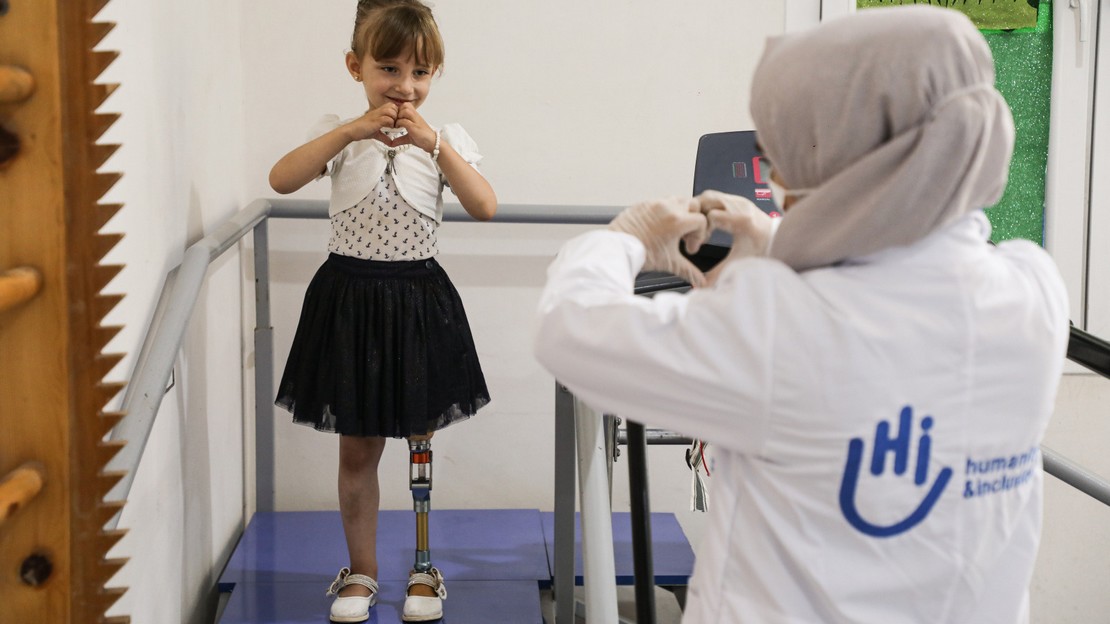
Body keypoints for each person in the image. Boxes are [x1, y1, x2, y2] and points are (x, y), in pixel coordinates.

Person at [534, 6, 1068, 623]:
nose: (778, 175)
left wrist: (623, 239)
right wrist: (778, 247)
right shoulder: (1033, 290)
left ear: (847, 156)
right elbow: (892, 248)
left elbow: (567, 329)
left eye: (782, 150)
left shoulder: (779, 326)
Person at [269, 1, 496, 621]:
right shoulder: (339, 136)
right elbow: (282, 179)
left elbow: (485, 206)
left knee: (419, 441)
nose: (404, 87)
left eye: (420, 73)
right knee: (357, 450)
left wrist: (437, 145)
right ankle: (362, 571)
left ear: (434, 76)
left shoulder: (444, 141)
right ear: (356, 67)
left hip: (419, 304)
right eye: (389, 69)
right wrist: (349, 131)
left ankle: (424, 567)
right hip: (349, 306)